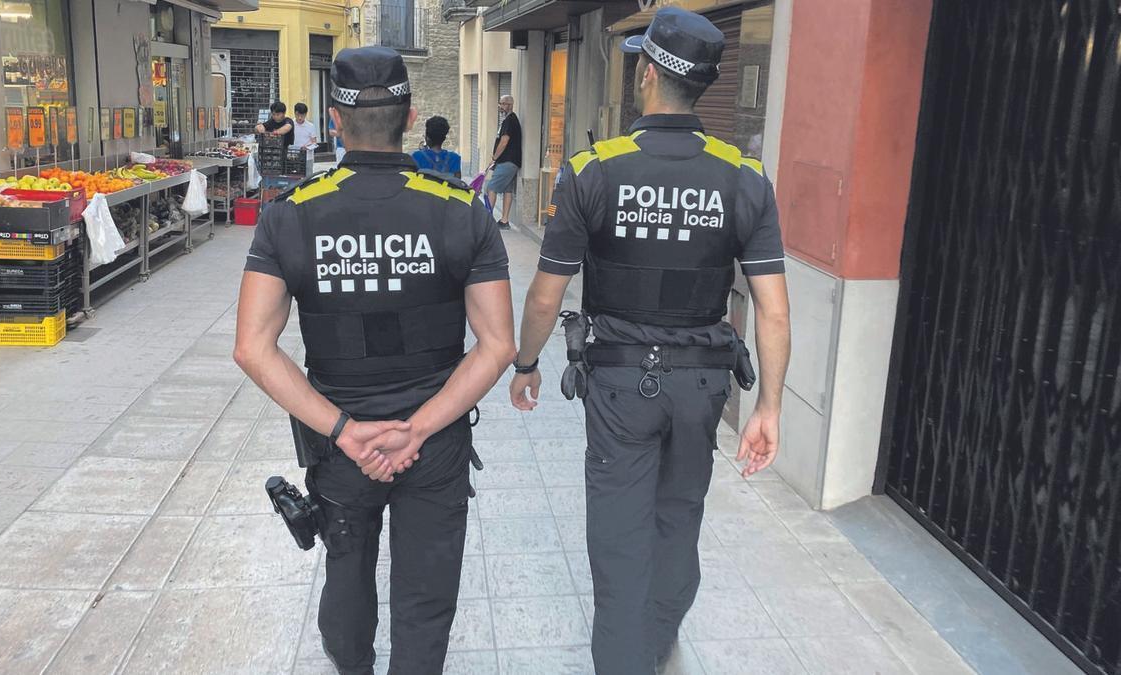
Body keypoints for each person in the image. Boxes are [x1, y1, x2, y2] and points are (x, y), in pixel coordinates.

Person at [508, 8, 791, 674]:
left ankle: (627, 657)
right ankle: (655, 640)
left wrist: (525, 364)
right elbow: (772, 311)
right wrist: (769, 407)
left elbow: (547, 293)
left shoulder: (593, 169)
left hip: (619, 387)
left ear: (646, 74)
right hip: (702, 387)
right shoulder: (744, 177)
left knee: (618, 539)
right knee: (678, 520)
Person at [234, 46, 515, 675]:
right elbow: (497, 345)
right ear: (410, 116)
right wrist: (417, 428)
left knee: (347, 576)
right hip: (434, 443)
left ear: (334, 119)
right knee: (427, 595)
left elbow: (252, 347)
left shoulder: (290, 215)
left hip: (341, 444)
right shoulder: (462, 210)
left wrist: (344, 430)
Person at [485, 95, 521, 229]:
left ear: (510, 105)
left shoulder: (509, 121)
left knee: (491, 187)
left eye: (503, 104)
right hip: (511, 162)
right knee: (507, 190)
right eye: (499, 103)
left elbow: (504, 141)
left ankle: (487, 220)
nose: (500, 106)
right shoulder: (509, 120)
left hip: (507, 161)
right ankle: (504, 221)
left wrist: (494, 158)